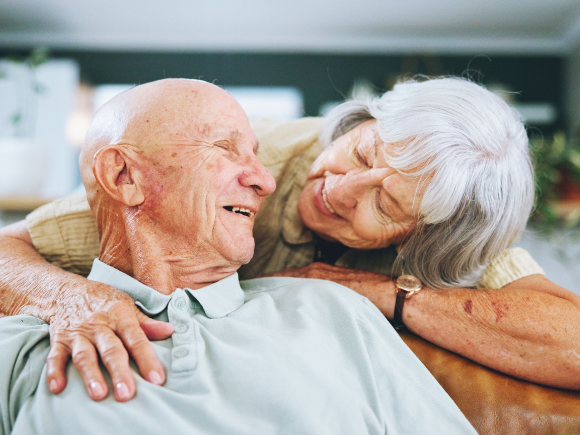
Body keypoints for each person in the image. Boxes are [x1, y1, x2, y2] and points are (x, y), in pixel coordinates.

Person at [1, 77, 580, 403]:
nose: (340, 189)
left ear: (422, 238)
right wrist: (67, 297)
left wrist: (392, 295)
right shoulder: (244, 165)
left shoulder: (451, 227)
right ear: (359, 123)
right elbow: (9, 247)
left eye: (385, 203)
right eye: (361, 152)